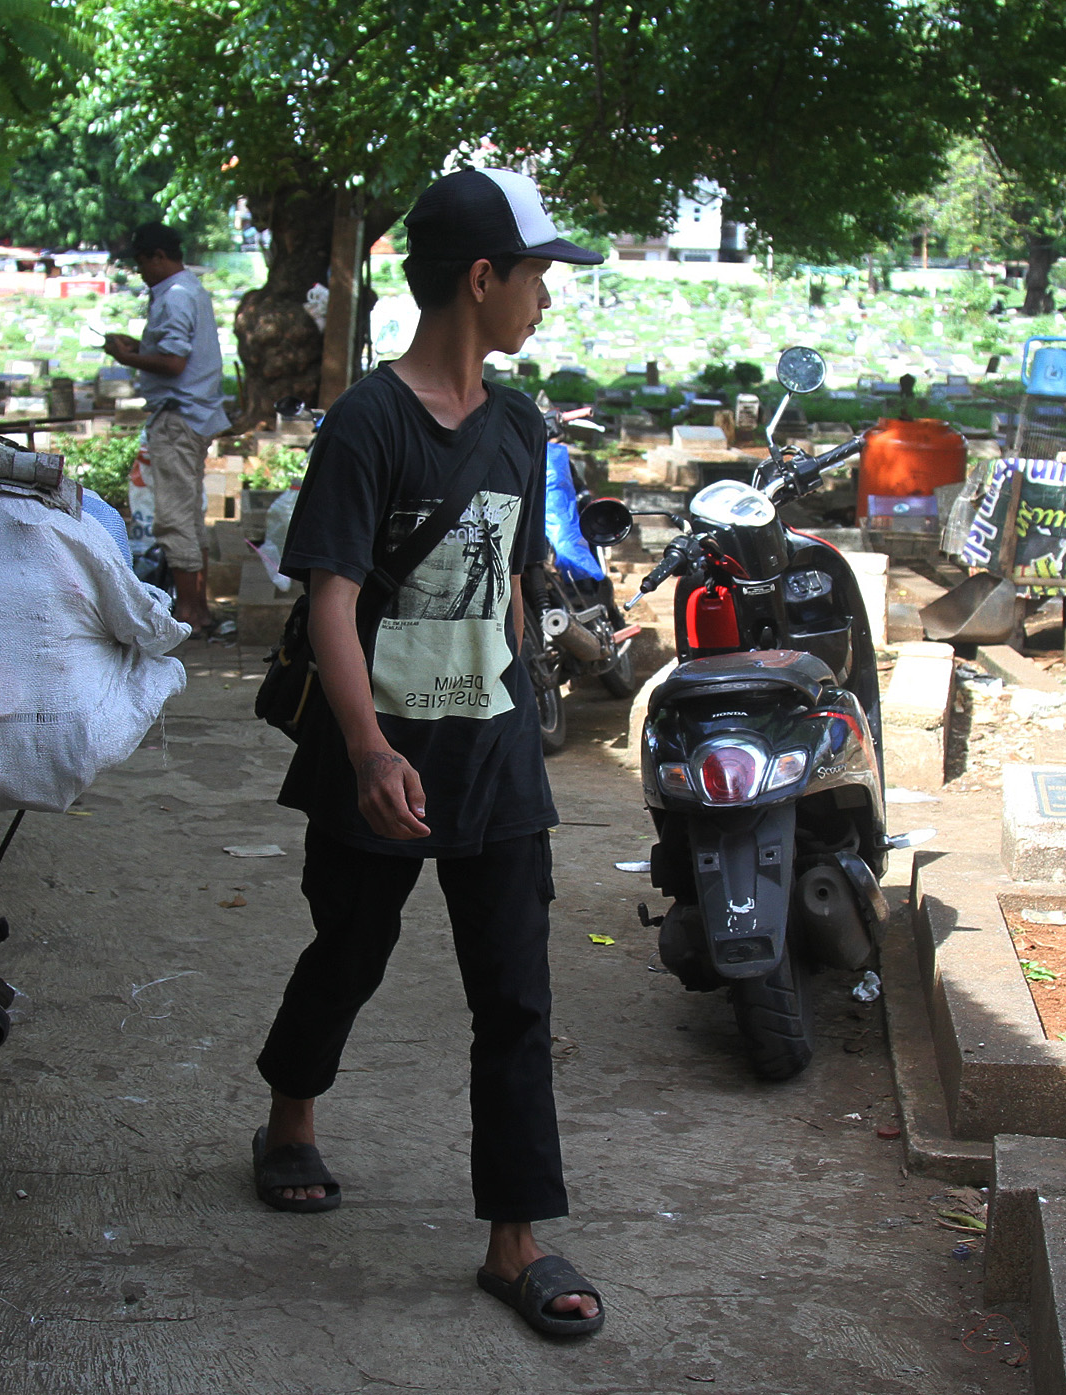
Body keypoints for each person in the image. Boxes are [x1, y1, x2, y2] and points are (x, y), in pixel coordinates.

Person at [249, 168, 608, 1338]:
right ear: (481, 277)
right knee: (350, 950)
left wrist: (524, 711)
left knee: (514, 995)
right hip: (379, 751)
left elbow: (507, 587)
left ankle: (517, 1240)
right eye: (538, 275)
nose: (547, 299)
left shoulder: (518, 424)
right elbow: (331, 605)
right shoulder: (367, 424)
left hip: (492, 756)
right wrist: (364, 752)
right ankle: (291, 1115)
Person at [102, 222, 229, 632]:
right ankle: (199, 608)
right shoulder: (190, 290)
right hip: (195, 414)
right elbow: (176, 354)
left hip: (178, 416)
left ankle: (190, 611)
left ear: (158, 257)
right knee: (190, 514)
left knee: (175, 517)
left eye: (141, 263)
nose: (140, 273)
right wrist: (140, 349)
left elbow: (173, 364)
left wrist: (127, 358)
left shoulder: (174, 297)